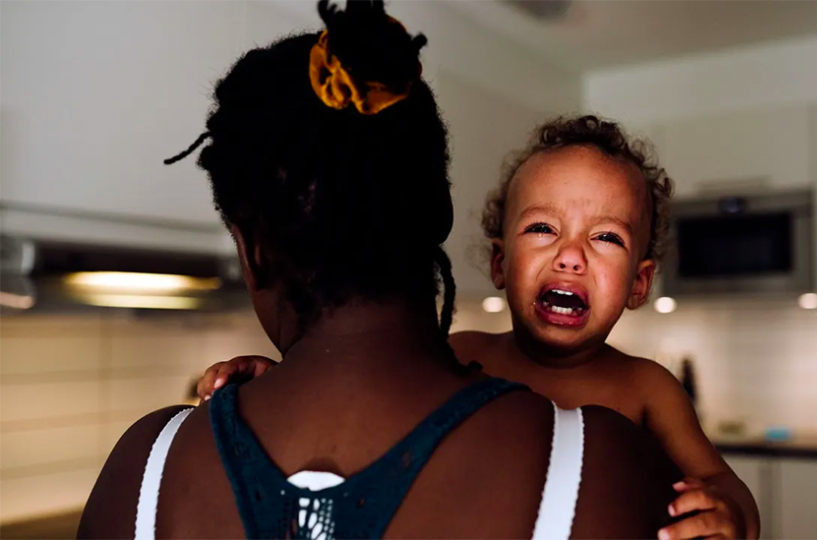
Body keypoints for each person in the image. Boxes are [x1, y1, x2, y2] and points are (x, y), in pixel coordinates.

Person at [77, 2, 681, 538]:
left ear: (254, 251)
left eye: (604, 237)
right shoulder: (603, 471)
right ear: (442, 213)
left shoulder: (144, 470)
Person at [199, 116, 761, 540]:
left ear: (639, 283)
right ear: (499, 264)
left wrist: (731, 515)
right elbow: (362, 399)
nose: (571, 255)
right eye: (543, 228)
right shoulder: (458, 354)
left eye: (606, 237)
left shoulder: (648, 389)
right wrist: (280, 380)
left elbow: (722, 481)